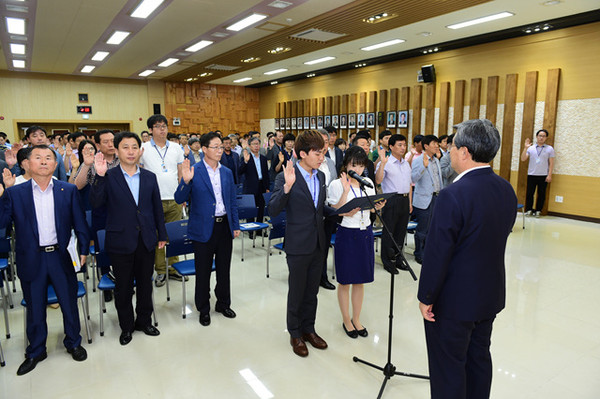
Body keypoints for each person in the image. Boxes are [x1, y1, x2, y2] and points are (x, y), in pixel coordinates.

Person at [417, 119, 517, 399]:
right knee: (478, 360)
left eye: (452, 147)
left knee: (448, 369)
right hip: (489, 295)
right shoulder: (506, 189)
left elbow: (438, 254)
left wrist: (426, 297)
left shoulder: (453, 195)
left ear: (464, 152)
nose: (448, 152)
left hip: (454, 303)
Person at [0, 145, 90, 376]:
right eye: (37, 158)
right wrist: (2, 196)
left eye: (48, 158)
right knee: (35, 306)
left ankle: (73, 342)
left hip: (61, 256)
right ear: (27, 164)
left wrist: (84, 248)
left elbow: (80, 222)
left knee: (69, 303)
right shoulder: (14, 193)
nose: (43, 161)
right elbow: (2, 224)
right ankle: (36, 350)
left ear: (55, 164)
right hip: (32, 257)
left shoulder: (67, 190)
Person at [90, 132, 166, 345]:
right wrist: (100, 176)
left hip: (146, 239)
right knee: (123, 288)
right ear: (116, 150)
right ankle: (126, 327)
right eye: (125, 147)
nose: (131, 151)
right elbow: (96, 203)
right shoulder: (109, 175)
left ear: (140, 151)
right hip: (120, 240)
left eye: (134, 147)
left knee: (145, 284)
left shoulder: (149, 177)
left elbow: (157, 209)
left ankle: (144, 321)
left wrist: (162, 233)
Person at [268, 130, 334, 358]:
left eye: (323, 152)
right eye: (318, 153)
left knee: (312, 291)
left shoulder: (321, 176)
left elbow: (319, 209)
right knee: (297, 291)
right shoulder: (287, 175)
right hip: (297, 243)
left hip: (318, 242)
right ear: (302, 153)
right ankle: (295, 333)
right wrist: (287, 187)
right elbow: (273, 209)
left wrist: (343, 211)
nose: (322, 158)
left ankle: (309, 329)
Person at [174, 132, 240, 327]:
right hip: (203, 228)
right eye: (216, 147)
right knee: (202, 271)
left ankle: (223, 303)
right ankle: (203, 308)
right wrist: (185, 181)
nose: (220, 150)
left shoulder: (226, 172)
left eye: (221, 147)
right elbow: (179, 199)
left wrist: (235, 225)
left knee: (223, 269)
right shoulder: (194, 170)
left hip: (224, 227)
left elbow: (232, 202)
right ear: (204, 149)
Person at [327, 146, 384, 338]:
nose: (357, 170)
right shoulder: (337, 183)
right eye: (353, 165)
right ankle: (346, 319)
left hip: (365, 233)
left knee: (360, 280)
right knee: (345, 281)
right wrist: (345, 192)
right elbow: (335, 210)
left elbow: (371, 211)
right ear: (346, 164)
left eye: (360, 165)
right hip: (347, 234)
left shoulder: (367, 182)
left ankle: (357, 319)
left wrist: (377, 206)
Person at [140, 114, 186, 287]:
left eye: (164, 126)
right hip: (153, 200)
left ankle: (174, 268)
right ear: (151, 130)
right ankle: (160, 271)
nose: (162, 129)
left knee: (174, 235)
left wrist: (182, 195)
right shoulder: (143, 148)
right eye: (158, 126)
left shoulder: (176, 147)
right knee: (158, 237)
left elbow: (180, 172)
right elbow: (139, 172)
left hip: (174, 198)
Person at [73, 129, 119, 302]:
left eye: (112, 140)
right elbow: (77, 185)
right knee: (103, 249)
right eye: (105, 141)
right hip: (101, 211)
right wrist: (86, 164)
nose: (110, 144)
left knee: (123, 248)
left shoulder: (122, 159)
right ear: (98, 145)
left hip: (121, 211)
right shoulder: (93, 162)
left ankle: (123, 280)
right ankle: (106, 280)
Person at [375, 134, 412, 272]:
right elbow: (378, 181)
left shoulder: (406, 164)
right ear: (391, 147)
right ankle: (388, 261)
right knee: (389, 232)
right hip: (391, 200)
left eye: (404, 145)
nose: (403, 148)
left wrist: (409, 202)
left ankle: (398, 259)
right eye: (399, 145)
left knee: (401, 232)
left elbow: (408, 184)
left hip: (404, 199)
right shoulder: (385, 162)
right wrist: (382, 164)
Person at [411, 135, 442, 264]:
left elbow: (439, 180)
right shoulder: (419, 160)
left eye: (437, 144)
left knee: (432, 228)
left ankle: (428, 251)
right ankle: (419, 253)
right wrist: (423, 167)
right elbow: (413, 179)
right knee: (422, 229)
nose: (437, 146)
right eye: (434, 143)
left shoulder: (436, 160)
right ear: (426, 146)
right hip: (424, 199)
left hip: (436, 197)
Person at [318, 129, 339, 291]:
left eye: (326, 142)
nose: (324, 145)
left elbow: (334, 183)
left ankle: (322, 276)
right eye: (321, 141)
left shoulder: (330, 162)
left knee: (324, 245)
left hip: (329, 208)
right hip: (314, 211)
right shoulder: (306, 162)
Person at [521, 129, 555, 217]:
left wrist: (549, 175)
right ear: (537, 136)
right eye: (540, 136)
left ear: (546, 138)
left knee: (542, 194)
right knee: (530, 193)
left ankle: (538, 210)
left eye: (543, 136)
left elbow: (551, 163)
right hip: (531, 174)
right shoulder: (531, 148)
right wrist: (525, 148)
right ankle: (529, 210)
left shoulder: (550, 149)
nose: (541, 138)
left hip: (543, 175)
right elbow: (523, 159)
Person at [239, 137, 269, 227]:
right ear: (249, 146)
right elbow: (240, 171)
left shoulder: (263, 158)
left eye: (258, 144)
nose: (256, 146)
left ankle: (259, 228)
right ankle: (251, 229)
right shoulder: (246, 157)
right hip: (250, 186)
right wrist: (245, 161)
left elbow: (266, 174)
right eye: (254, 144)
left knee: (261, 208)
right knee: (251, 209)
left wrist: (267, 187)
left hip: (261, 186)